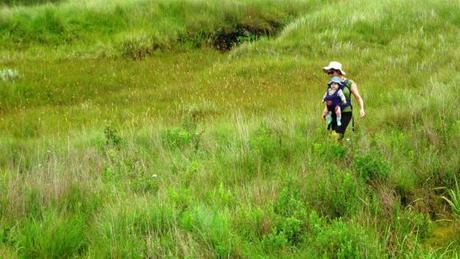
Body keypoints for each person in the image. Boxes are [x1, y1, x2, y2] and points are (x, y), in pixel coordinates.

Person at [322, 61, 365, 139]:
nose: (330, 75)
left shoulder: (349, 83)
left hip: (346, 112)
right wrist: (325, 110)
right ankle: (340, 150)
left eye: (331, 72)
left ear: (338, 71)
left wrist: (361, 109)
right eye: (328, 73)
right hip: (333, 113)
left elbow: (358, 97)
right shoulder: (331, 84)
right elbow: (329, 98)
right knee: (332, 135)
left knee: (336, 135)